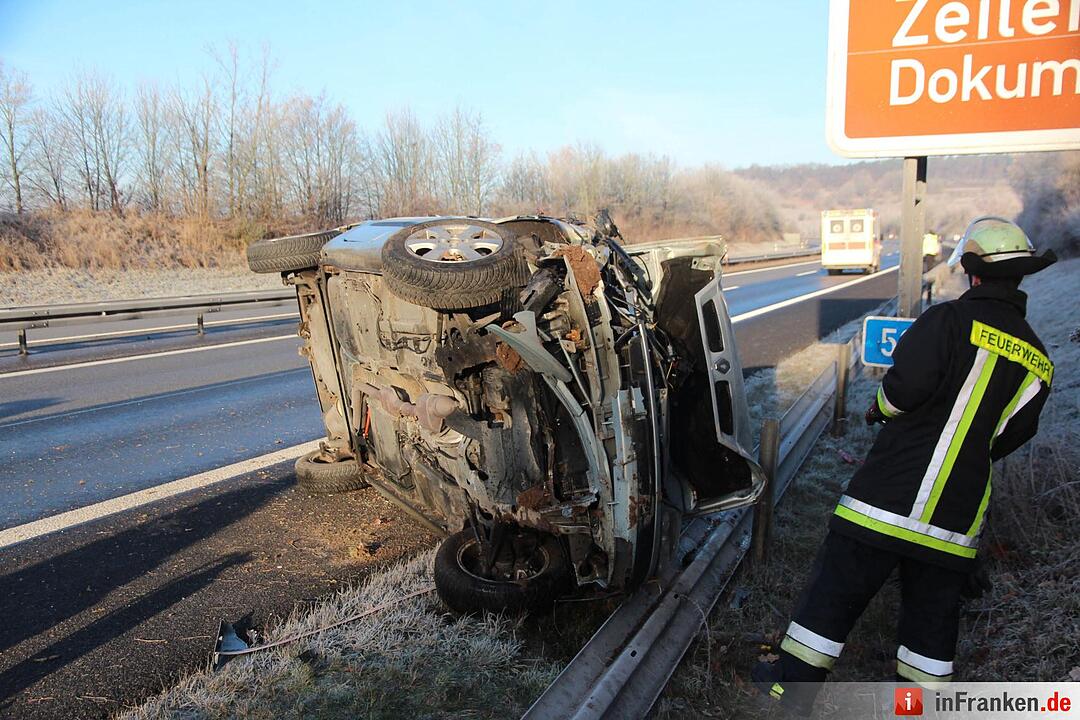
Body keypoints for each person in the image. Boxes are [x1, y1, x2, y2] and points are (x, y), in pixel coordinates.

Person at [752, 217, 1058, 715]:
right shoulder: (1039, 360)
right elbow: (1006, 438)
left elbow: (900, 393)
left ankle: (791, 689)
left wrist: (879, 408)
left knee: (831, 600)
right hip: (954, 523)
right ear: (1019, 277)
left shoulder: (946, 322)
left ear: (973, 272)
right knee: (931, 628)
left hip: (883, 504)